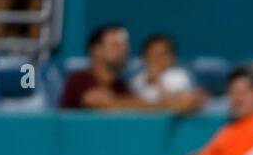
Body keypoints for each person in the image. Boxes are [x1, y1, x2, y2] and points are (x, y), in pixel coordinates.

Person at [60, 24, 199, 112]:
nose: (123, 50)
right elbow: (108, 105)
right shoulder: (80, 80)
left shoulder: (122, 86)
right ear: (96, 50)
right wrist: (169, 106)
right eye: (115, 45)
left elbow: (135, 104)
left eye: (125, 45)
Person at [130, 33, 204, 109]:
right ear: (144, 57)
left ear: (172, 57)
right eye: (152, 55)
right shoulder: (137, 79)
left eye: (161, 55)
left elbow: (178, 104)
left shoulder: (179, 76)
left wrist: (158, 82)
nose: (156, 60)